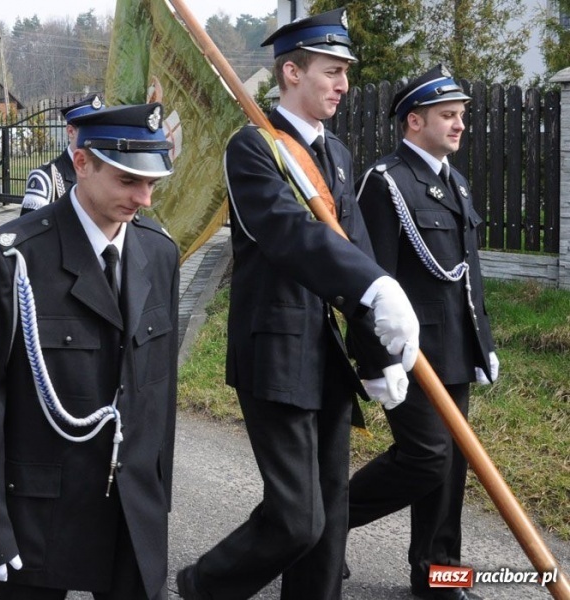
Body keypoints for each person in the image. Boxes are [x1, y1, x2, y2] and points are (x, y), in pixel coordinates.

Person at [175, 9, 419, 600]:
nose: (342, 84)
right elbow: (289, 235)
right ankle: (202, 586)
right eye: (331, 72)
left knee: (329, 522)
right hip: (275, 354)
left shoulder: (335, 154)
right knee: (296, 517)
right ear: (291, 72)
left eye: (345, 74)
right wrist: (374, 287)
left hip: (326, 357)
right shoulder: (253, 149)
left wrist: (376, 355)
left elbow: (354, 254)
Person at [0, 102, 179, 600]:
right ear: (82, 162)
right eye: (129, 180)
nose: (145, 198)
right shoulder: (14, 258)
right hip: (38, 512)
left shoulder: (158, 251)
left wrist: (159, 495)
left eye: (153, 182)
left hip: (131, 509)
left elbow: (158, 395)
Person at [347, 64, 498, 600]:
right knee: (427, 454)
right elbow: (368, 279)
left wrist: (484, 343)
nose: (459, 126)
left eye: (461, 116)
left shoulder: (453, 182)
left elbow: (467, 274)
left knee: (451, 465)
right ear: (414, 121)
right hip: (408, 352)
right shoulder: (385, 181)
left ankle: (438, 576)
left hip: (455, 347)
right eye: (448, 116)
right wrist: (376, 361)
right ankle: (322, 523)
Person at [19, 92, 103, 215]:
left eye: (101, 129)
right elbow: (30, 231)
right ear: (70, 132)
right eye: (90, 130)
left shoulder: (107, 172)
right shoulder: (46, 178)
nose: (98, 136)